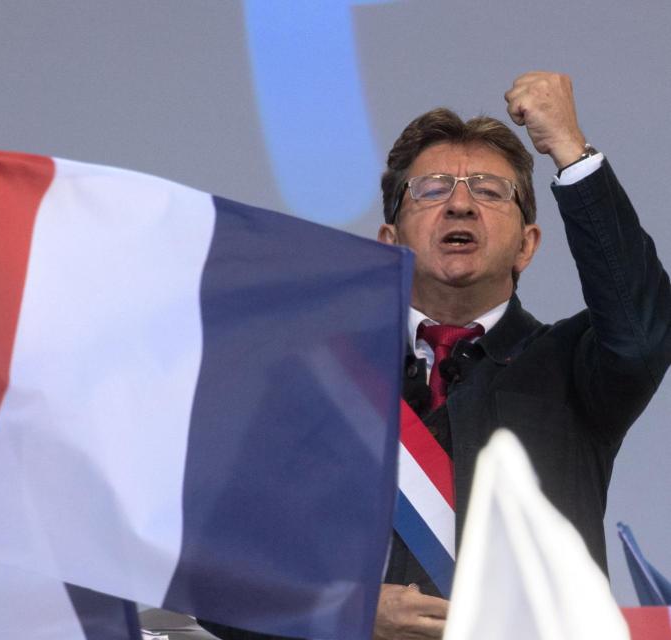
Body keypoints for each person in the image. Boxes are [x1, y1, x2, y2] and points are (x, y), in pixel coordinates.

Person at [201, 71, 671, 640]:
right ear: (390, 243)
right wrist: (347, 612)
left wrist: (571, 150)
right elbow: (219, 583)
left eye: (490, 191)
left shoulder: (573, 367)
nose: (461, 205)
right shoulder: (315, 381)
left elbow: (642, 332)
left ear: (526, 245)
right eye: (432, 189)